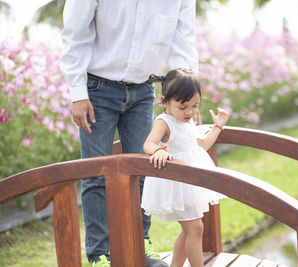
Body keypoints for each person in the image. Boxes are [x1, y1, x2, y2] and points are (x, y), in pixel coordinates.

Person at [59, 1, 199, 266]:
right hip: (97, 88)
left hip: (144, 90)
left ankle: (140, 245)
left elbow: (183, 40)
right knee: (96, 174)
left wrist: (187, 98)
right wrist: (78, 94)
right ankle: (99, 254)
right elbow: (76, 33)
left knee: (145, 170)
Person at [141, 69, 230, 267]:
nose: (189, 112)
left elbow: (202, 145)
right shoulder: (164, 122)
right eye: (183, 107)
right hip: (176, 182)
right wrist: (159, 151)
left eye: (195, 106)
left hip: (190, 181)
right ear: (165, 101)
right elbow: (148, 144)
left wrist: (218, 127)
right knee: (195, 228)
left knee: (191, 229)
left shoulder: (187, 121)